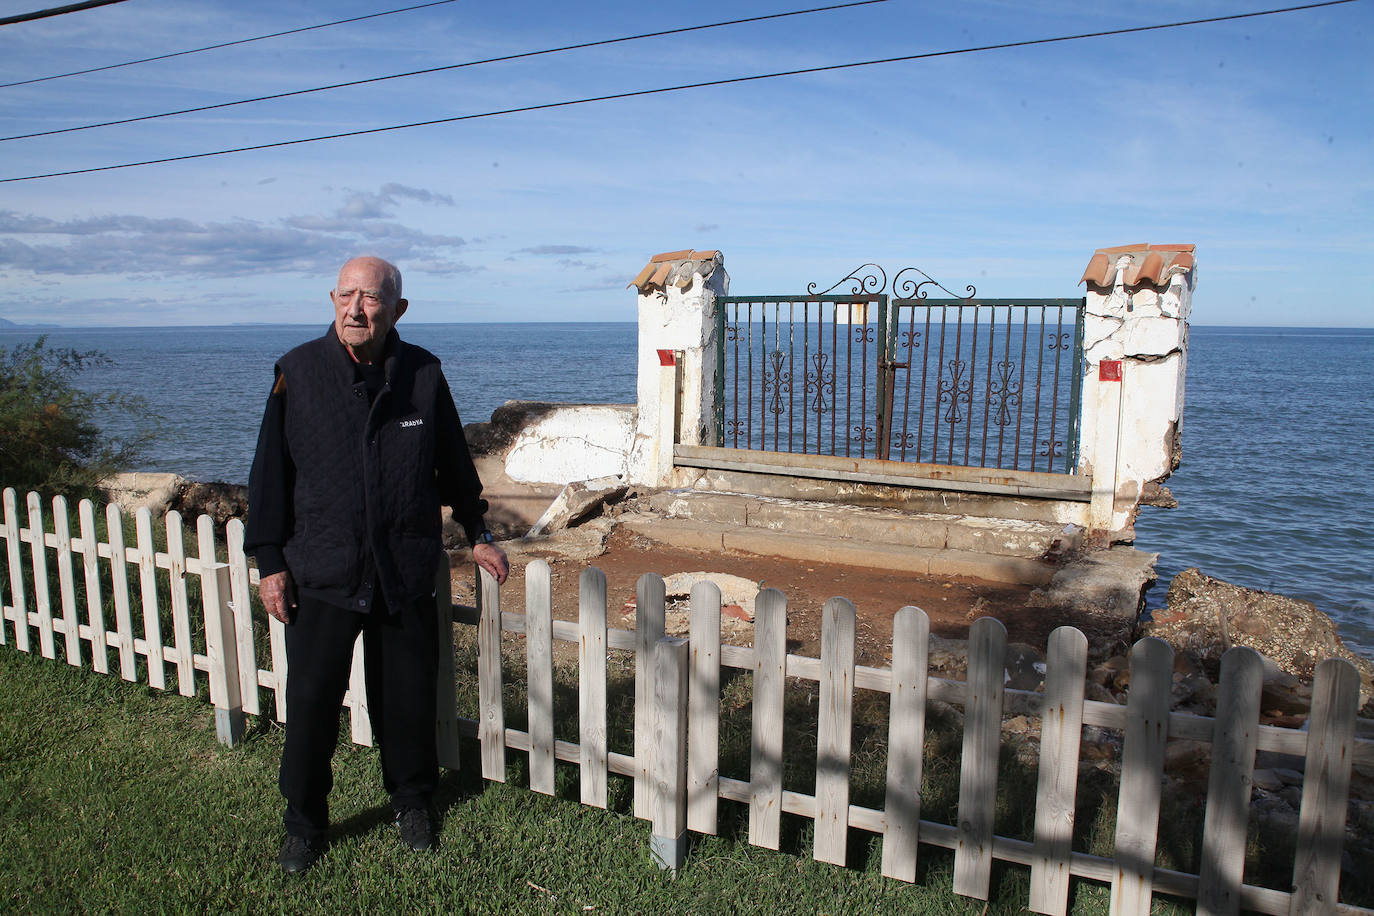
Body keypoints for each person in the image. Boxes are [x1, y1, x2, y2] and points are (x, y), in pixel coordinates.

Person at [245, 255, 509, 875]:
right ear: (332, 299)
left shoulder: (423, 374)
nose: (357, 309)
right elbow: (270, 478)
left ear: (399, 310)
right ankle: (304, 823)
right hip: (323, 571)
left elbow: (452, 463)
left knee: (408, 701)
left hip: (403, 569)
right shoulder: (298, 373)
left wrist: (477, 531)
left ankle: (413, 801)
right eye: (347, 295)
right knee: (311, 704)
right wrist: (269, 561)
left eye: (371, 299)